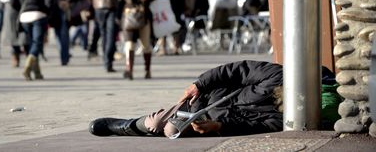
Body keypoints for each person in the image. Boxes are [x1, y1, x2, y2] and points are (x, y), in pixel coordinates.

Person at [89, 60, 283, 137]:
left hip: (211, 121)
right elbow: (235, 71)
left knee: (170, 130)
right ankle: (124, 126)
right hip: (206, 98)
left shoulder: (287, 118)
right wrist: (199, 84)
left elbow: (257, 127)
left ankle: (142, 128)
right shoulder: (279, 74)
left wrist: (219, 126)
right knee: (156, 123)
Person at [10, 0, 53, 80]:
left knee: (31, 44)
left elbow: (13, 1)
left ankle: (37, 73)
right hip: (39, 16)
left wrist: (21, 10)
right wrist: (47, 12)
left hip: (24, 17)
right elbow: (49, 1)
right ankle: (28, 67)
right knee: (37, 44)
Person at [117, 0, 156, 80]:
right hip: (128, 15)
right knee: (129, 44)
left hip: (144, 15)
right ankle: (129, 70)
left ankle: (147, 70)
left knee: (146, 45)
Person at [51, 0, 80, 66]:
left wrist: (69, 0)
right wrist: (58, 1)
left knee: (64, 33)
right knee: (57, 33)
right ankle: (64, 52)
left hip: (66, 10)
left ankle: (64, 56)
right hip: (54, 10)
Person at [3, 0, 27, 67]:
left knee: (25, 34)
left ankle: (29, 56)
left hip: (24, 8)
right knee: (13, 33)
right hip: (12, 8)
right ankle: (15, 55)